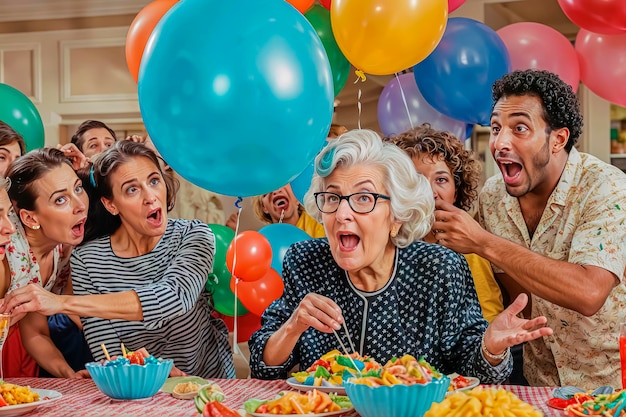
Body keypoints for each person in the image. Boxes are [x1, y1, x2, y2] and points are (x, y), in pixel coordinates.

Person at [248, 129, 552, 382]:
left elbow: (475, 369)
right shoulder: (306, 261)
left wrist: (490, 347)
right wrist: (292, 327)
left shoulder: (439, 269)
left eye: (363, 198)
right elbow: (263, 365)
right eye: (332, 197)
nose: (342, 214)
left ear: (397, 215)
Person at [432, 69, 626, 389]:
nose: (500, 142)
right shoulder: (492, 196)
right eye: (496, 128)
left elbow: (589, 292)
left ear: (557, 139)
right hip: (539, 386)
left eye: (519, 128)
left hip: (609, 388)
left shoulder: (607, 188)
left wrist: (483, 242)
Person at [3, 141, 235, 378]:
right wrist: (147, 374)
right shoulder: (85, 258)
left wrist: (62, 303)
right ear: (110, 204)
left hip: (208, 382)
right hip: (140, 391)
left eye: (154, 181)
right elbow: (106, 347)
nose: (151, 197)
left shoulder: (195, 235)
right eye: (132, 189)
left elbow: (174, 297)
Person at [386, 124, 504, 323]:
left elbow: (489, 318)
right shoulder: (385, 244)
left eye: (440, 179)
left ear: (456, 191)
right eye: (417, 179)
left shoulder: (470, 249)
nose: (430, 192)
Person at [1, 148, 92, 378]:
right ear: (30, 218)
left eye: (78, 188)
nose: (80, 204)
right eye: (60, 199)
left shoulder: (62, 247)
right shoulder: (6, 252)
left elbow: (35, 331)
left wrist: (69, 375)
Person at [252, 184, 325, 238]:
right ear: (264, 207)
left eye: (282, 183)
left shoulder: (322, 223)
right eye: (266, 191)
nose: (276, 191)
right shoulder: (264, 243)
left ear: (297, 199)